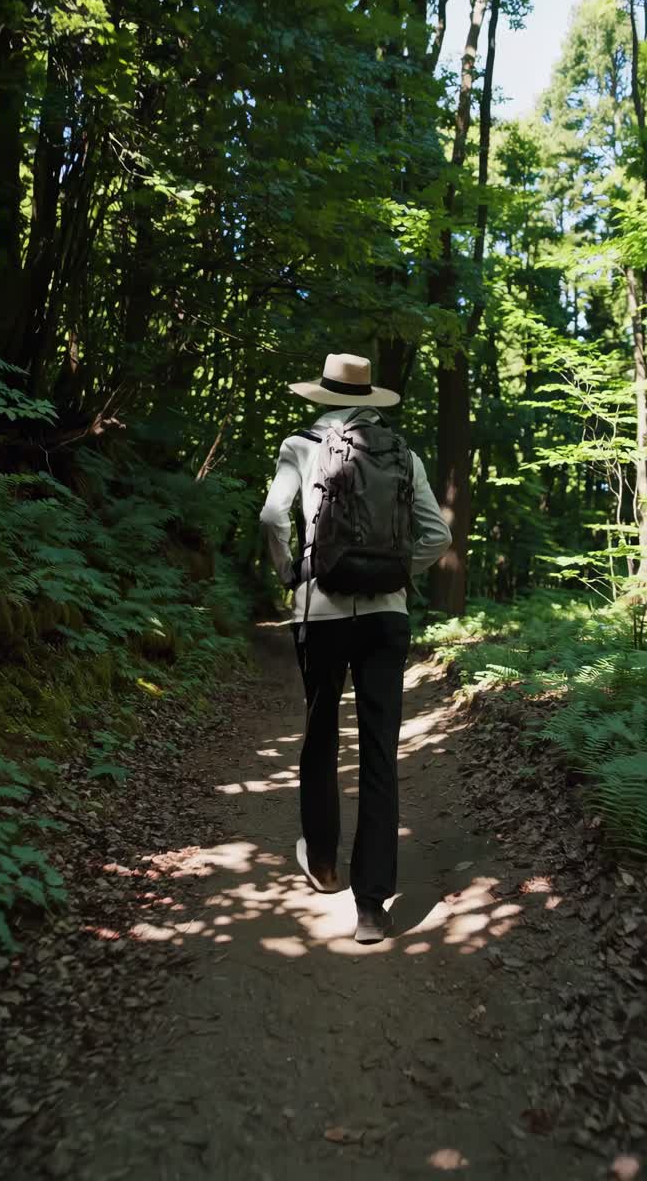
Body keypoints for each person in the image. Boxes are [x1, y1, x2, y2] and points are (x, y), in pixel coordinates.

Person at [260, 352, 452, 944]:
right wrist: (397, 573)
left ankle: (322, 865)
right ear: (371, 397)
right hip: (386, 617)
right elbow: (438, 535)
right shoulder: (402, 453)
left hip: (320, 613)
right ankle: (372, 907)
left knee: (320, 737)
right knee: (379, 751)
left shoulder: (300, 445)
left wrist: (293, 572)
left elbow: (272, 516)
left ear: (321, 395)